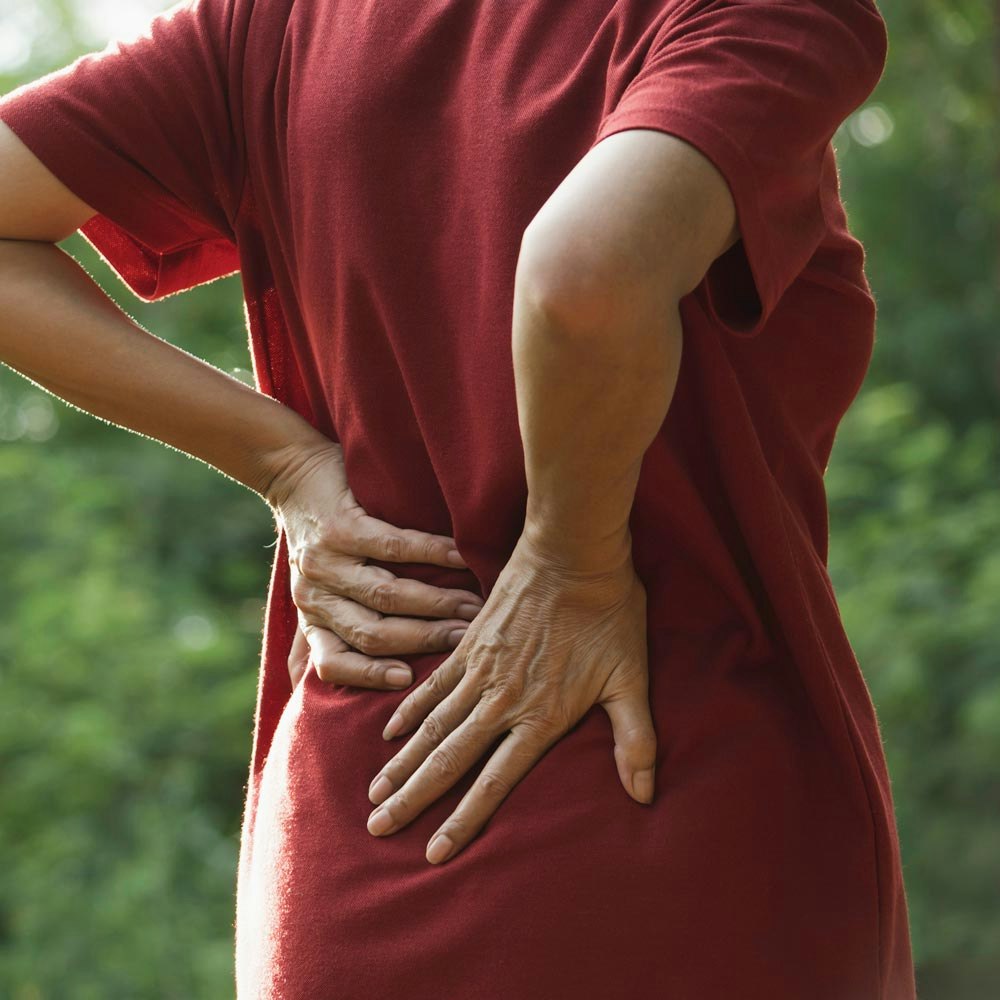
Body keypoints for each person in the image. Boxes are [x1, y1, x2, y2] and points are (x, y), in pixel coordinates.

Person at [0, 0, 917, 996]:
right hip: (664, 796)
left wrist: (286, 463)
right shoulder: (749, 16)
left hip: (360, 822)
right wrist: (572, 565)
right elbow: (586, 274)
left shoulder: (272, 26)